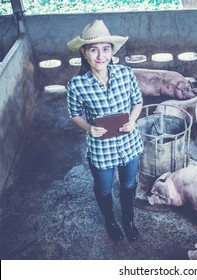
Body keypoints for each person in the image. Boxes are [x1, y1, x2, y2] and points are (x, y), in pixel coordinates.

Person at [66, 20, 143, 242]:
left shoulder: (126, 74)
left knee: (129, 184)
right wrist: (89, 128)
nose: (100, 55)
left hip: (129, 143)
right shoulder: (77, 84)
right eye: (94, 49)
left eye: (106, 49)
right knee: (104, 188)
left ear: (112, 51)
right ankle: (110, 221)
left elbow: (137, 102)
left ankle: (128, 220)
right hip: (101, 147)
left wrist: (132, 120)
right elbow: (74, 114)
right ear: (84, 52)